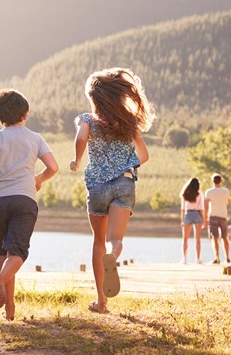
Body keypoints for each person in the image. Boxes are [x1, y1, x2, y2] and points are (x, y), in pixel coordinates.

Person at [0, 89, 58, 321]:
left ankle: (9, 307)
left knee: (5, 252)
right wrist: (38, 179)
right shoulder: (35, 138)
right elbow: (53, 167)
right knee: (17, 253)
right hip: (24, 200)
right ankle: (0, 279)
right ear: (25, 113)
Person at [69, 68, 154, 314]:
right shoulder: (128, 122)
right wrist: (128, 165)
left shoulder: (87, 120)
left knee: (98, 241)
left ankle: (101, 302)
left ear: (94, 99)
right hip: (124, 184)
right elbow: (145, 155)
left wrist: (76, 160)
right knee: (114, 240)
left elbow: (81, 138)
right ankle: (113, 257)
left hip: (97, 186)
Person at [205, 173, 231, 264]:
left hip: (213, 216)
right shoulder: (226, 191)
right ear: (221, 181)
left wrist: (205, 218)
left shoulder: (209, 192)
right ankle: (227, 257)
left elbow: (206, 206)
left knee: (214, 238)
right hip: (223, 216)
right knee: (225, 237)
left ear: (212, 181)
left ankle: (217, 258)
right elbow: (227, 202)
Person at [180, 177, 206, 264]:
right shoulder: (200, 194)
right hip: (197, 214)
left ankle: (184, 259)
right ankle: (198, 259)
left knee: (185, 239)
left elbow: (183, 209)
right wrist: (204, 220)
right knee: (198, 239)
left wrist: (182, 220)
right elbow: (202, 208)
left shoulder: (184, 194)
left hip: (188, 214)